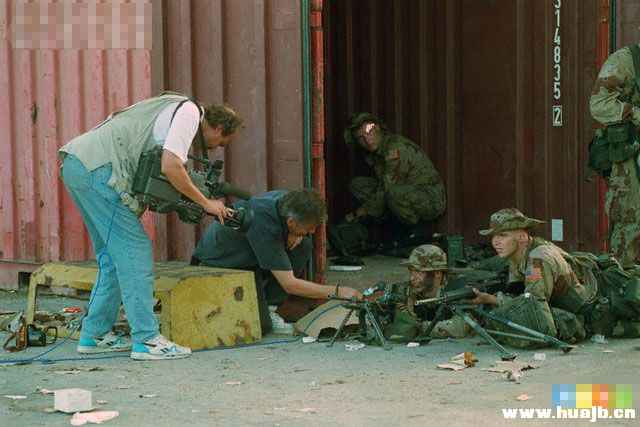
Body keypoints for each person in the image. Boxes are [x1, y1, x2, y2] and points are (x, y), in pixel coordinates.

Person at [59, 92, 242, 360]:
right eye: (222, 142)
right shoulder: (189, 113)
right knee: (135, 249)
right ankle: (147, 340)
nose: (217, 147)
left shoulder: (170, 105)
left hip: (79, 164)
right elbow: (171, 167)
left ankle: (94, 334)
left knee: (112, 258)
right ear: (217, 128)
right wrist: (206, 203)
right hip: (98, 170)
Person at [192, 189, 363, 333]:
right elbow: (290, 285)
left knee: (304, 245)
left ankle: (270, 307)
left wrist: (297, 233)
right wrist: (339, 292)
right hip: (221, 262)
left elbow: (295, 229)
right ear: (291, 221)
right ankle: (266, 313)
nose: (312, 231)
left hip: (251, 252)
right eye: (309, 227)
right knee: (262, 327)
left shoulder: (287, 201)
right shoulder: (265, 225)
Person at [468, 208, 600, 348]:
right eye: (494, 236)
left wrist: (493, 300)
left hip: (584, 312)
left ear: (522, 237)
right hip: (555, 303)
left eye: (502, 235)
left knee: (512, 321)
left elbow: (533, 306)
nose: (495, 242)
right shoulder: (516, 254)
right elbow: (519, 293)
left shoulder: (538, 260)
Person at [343, 113, 446, 235]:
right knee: (358, 185)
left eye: (369, 132)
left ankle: (414, 232)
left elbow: (387, 188)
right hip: (403, 192)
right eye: (361, 138)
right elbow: (383, 185)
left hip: (429, 198)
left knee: (392, 193)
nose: (367, 140)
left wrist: (359, 213)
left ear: (377, 128)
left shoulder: (395, 148)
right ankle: (388, 224)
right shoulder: (375, 153)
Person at [589, 43, 640, 268]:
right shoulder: (627, 60)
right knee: (631, 222)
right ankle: (624, 281)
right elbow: (599, 104)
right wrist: (635, 114)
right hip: (632, 159)